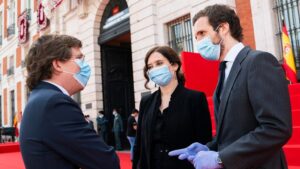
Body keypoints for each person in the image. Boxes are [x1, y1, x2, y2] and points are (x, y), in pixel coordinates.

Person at [169, 4, 292, 169]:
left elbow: (276, 129)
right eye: (196, 36)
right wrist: (209, 147)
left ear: (223, 28)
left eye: (202, 33)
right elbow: (233, 132)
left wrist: (221, 159)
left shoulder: (258, 62)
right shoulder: (224, 69)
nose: (197, 41)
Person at [20, 35, 120, 169]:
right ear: (57, 64)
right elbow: (106, 161)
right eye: (79, 58)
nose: (84, 64)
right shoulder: (55, 103)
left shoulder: (40, 98)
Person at [132, 46, 212, 169]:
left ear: (174, 65)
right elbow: (139, 144)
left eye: (159, 63)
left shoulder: (195, 98)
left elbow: (204, 142)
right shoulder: (146, 102)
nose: (154, 69)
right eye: (150, 67)